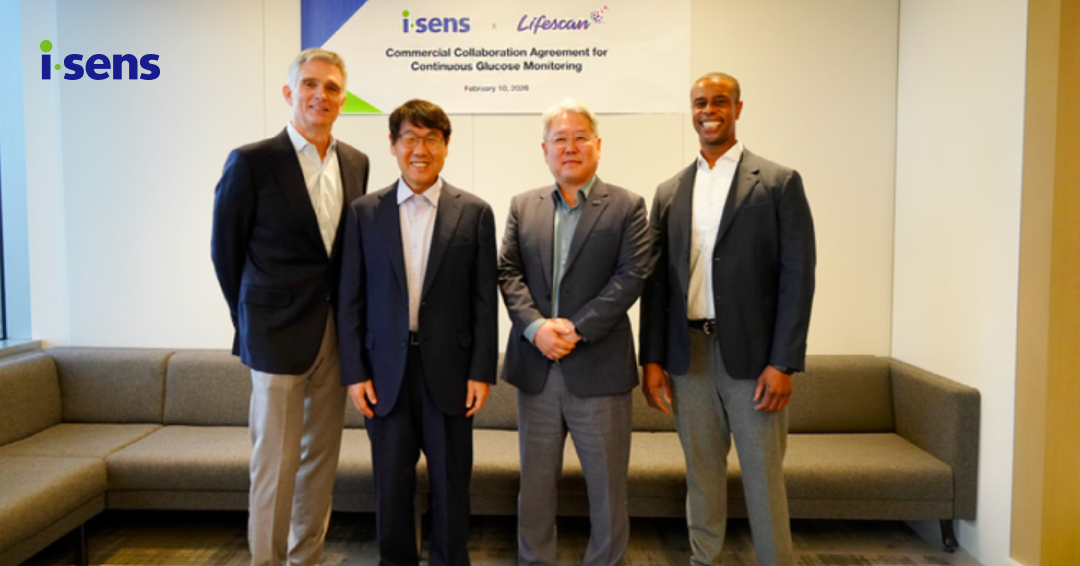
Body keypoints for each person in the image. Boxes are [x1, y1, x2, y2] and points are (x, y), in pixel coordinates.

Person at [639, 72, 816, 566]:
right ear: (691, 110)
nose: (709, 110)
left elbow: (798, 278)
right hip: (687, 356)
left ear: (738, 109)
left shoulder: (778, 182)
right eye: (700, 102)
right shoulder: (669, 190)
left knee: (763, 477)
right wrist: (651, 360)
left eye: (720, 101)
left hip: (755, 360)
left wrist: (783, 362)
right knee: (701, 475)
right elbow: (655, 284)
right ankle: (704, 560)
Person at [211, 48, 369, 566]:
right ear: (289, 93)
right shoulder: (252, 161)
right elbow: (225, 251)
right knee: (274, 463)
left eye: (331, 88)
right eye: (310, 84)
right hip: (274, 334)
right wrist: (251, 319)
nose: (320, 95)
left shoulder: (356, 162)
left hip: (334, 334)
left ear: (343, 100)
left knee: (320, 460)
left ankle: (307, 558)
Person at [337, 99, 498, 566]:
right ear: (393, 145)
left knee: (451, 487)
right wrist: (354, 372)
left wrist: (481, 371)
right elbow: (350, 298)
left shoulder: (475, 212)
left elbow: (484, 301)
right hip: (384, 374)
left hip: (451, 373)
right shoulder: (364, 212)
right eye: (409, 138)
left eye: (431, 139)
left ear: (446, 146)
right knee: (391, 489)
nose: (420, 149)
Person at [498, 99, 651, 566]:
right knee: (535, 486)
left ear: (598, 145)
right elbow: (508, 272)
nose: (570, 147)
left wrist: (576, 329)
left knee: (607, 488)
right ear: (544, 149)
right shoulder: (523, 206)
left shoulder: (627, 206)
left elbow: (631, 276)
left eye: (580, 137)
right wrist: (536, 328)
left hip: (600, 370)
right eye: (559, 139)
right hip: (537, 369)